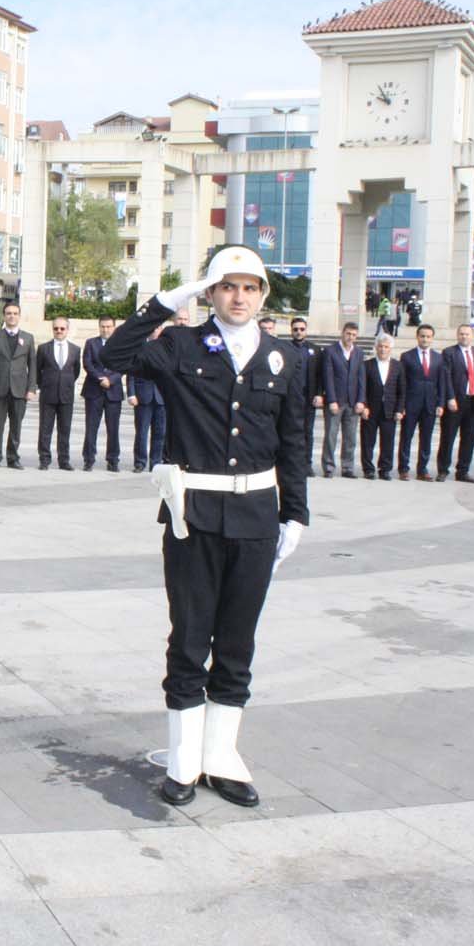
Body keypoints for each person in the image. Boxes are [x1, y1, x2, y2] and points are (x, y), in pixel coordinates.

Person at [103, 244, 308, 810]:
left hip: (258, 518)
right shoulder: (179, 345)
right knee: (191, 638)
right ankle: (183, 759)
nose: (239, 297)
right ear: (210, 293)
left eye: (250, 288)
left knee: (238, 642)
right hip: (193, 517)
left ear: (263, 295)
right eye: (227, 287)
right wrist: (164, 304)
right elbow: (112, 357)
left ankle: (222, 756)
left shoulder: (285, 358)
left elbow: (293, 442)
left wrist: (297, 512)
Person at [0, 301, 36, 469]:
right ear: (4, 316)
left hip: (20, 390)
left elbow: (32, 365)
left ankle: (13, 458)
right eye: (8, 313)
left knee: (16, 425)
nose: (12, 316)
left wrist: (32, 388)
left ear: (19, 316)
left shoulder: (28, 338)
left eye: (15, 313)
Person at [436, 324, 474, 483]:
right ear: (457, 335)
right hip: (455, 402)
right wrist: (450, 397)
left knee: (469, 438)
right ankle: (443, 470)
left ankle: (463, 471)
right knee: (448, 437)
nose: (464, 337)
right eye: (461, 334)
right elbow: (446, 377)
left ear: (472, 336)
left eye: (467, 334)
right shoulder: (449, 352)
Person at [396, 324, 444, 481]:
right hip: (411, 404)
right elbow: (402, 383)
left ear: (432, 338)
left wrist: (440, 404)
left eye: (428, 336)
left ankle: (422, 469)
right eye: (422, 336)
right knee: (406, 436)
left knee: (426, 438)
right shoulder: (407, 356)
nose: (425, 339)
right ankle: (403, 468)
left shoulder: (438, 358)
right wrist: (401, 405)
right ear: (417, 337)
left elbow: (441, 383)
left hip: (429, 404)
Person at [320, 322, 365, 478]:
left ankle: (347, 467)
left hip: (352, 402)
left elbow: (361, 378)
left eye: (353, 335)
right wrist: (331, 399)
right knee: (331, 436)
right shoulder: (330, 351)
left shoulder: (358, 352)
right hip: (336, 401)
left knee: (350, 437)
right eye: (348, 333)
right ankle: (329, 467)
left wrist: (361, 400)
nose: (350, 337)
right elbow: (328, 377)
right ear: (342, 333)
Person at [35, 317, 80, 470]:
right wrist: (44, 385)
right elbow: (37, 371)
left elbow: (76, 371)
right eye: (56, 328)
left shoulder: (75, 349)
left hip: (66, 395)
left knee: (65, 429)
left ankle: (64, 460)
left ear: (67, 330)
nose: (59, 331)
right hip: (48, 394)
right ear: (52, 329)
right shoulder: (43, 348)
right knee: (45, 428)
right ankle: (44, 459)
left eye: (62, 328)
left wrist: (66, 384)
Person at [81, 315, 124, 472]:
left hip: (114, 392)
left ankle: (113, 460)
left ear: (114, 327)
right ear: (99, 327)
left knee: (113, 428)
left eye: (108, 326)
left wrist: (110, 380)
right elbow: (87, 363)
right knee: (91, 427)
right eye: (103, 326)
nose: (105, 329)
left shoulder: (121, 345)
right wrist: (100, 378)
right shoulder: (91, 343)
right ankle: (89, 459)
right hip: (94, 390)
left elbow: (123, 366)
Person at [361, 333, 401, 481]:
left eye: (386, 347)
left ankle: (385, 469)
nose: (383, 349)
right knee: (367, 441)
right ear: (376, 348)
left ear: (390, 349)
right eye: (380, 346)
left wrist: (399, 409)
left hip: (389, 410)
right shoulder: (367, 365)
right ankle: (368, 469)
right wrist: (364, 405)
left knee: (388, 441)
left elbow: (402, 390)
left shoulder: (398, 366)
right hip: (370, 409)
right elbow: (362, 387)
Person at [126, 326, 167, 473]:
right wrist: (131, 393)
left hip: (162, 397)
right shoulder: (139, 347)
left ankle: (155, 462)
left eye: (157, 328)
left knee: (160, 433)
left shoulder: (165, 347)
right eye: (153, 328)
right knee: (142, 432)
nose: (154, 330)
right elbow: (131, 372)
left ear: (161, 329)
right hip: (143, 396)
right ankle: (140, 462)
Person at [287, 317, 322, 477]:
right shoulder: (285, 348)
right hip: (290, 398)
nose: (298, 332)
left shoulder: (315, 350)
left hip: (309, 398)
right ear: (291, 331)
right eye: (295, 329)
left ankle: (307, 464)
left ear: (306, 331)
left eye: (301, 329)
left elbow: (321, 374)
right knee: (290, 432)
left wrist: (319, 394)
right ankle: (291, 463)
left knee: (308, 432)